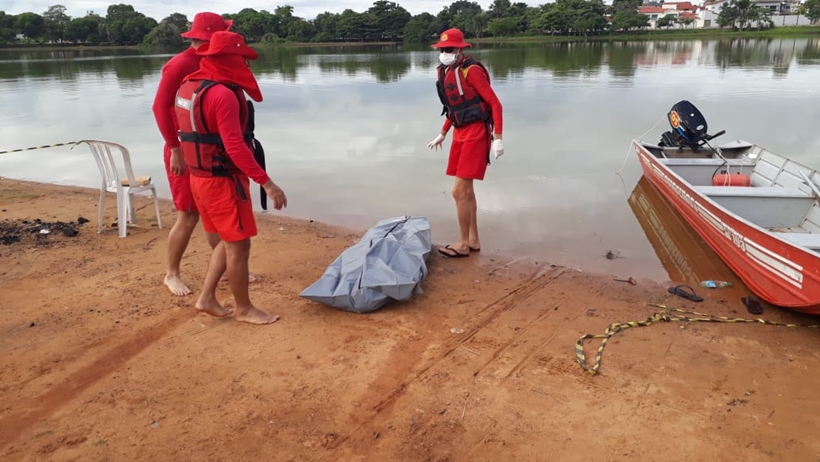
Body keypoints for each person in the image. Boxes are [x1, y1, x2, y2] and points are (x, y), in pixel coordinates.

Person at [174, 30, 288, 325]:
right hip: (223, 182)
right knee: (238, 246)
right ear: (228, 58)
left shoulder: (188, 86)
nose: (246, 65)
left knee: (226, 242)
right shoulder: (223, 94)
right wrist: (267, 182)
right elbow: (235, 146)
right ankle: (244, 309)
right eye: (242, 58)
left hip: (200, 178)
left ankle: (206, 298)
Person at [152, 12, 249, 297]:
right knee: (188, 214)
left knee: (214, 214)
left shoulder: (214, 62)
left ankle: (228, 266)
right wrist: (174, 148)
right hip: (183, 149)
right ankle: (171, 273)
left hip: (209, 151)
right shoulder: (180, 64)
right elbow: (159, 107)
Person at [426, 28, 504, 258]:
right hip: (459, 133)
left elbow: (495, 104)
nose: (445, 53)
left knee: (458, 191)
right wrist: (442, 133)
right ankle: (472, 239)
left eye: (449, 49)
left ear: (460, 50)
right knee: (466, 191)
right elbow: (455, 108)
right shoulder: (446, 71)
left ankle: (462, 244)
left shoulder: (471, 71)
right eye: (442, 49)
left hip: (476, 133)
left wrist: (498, 138)